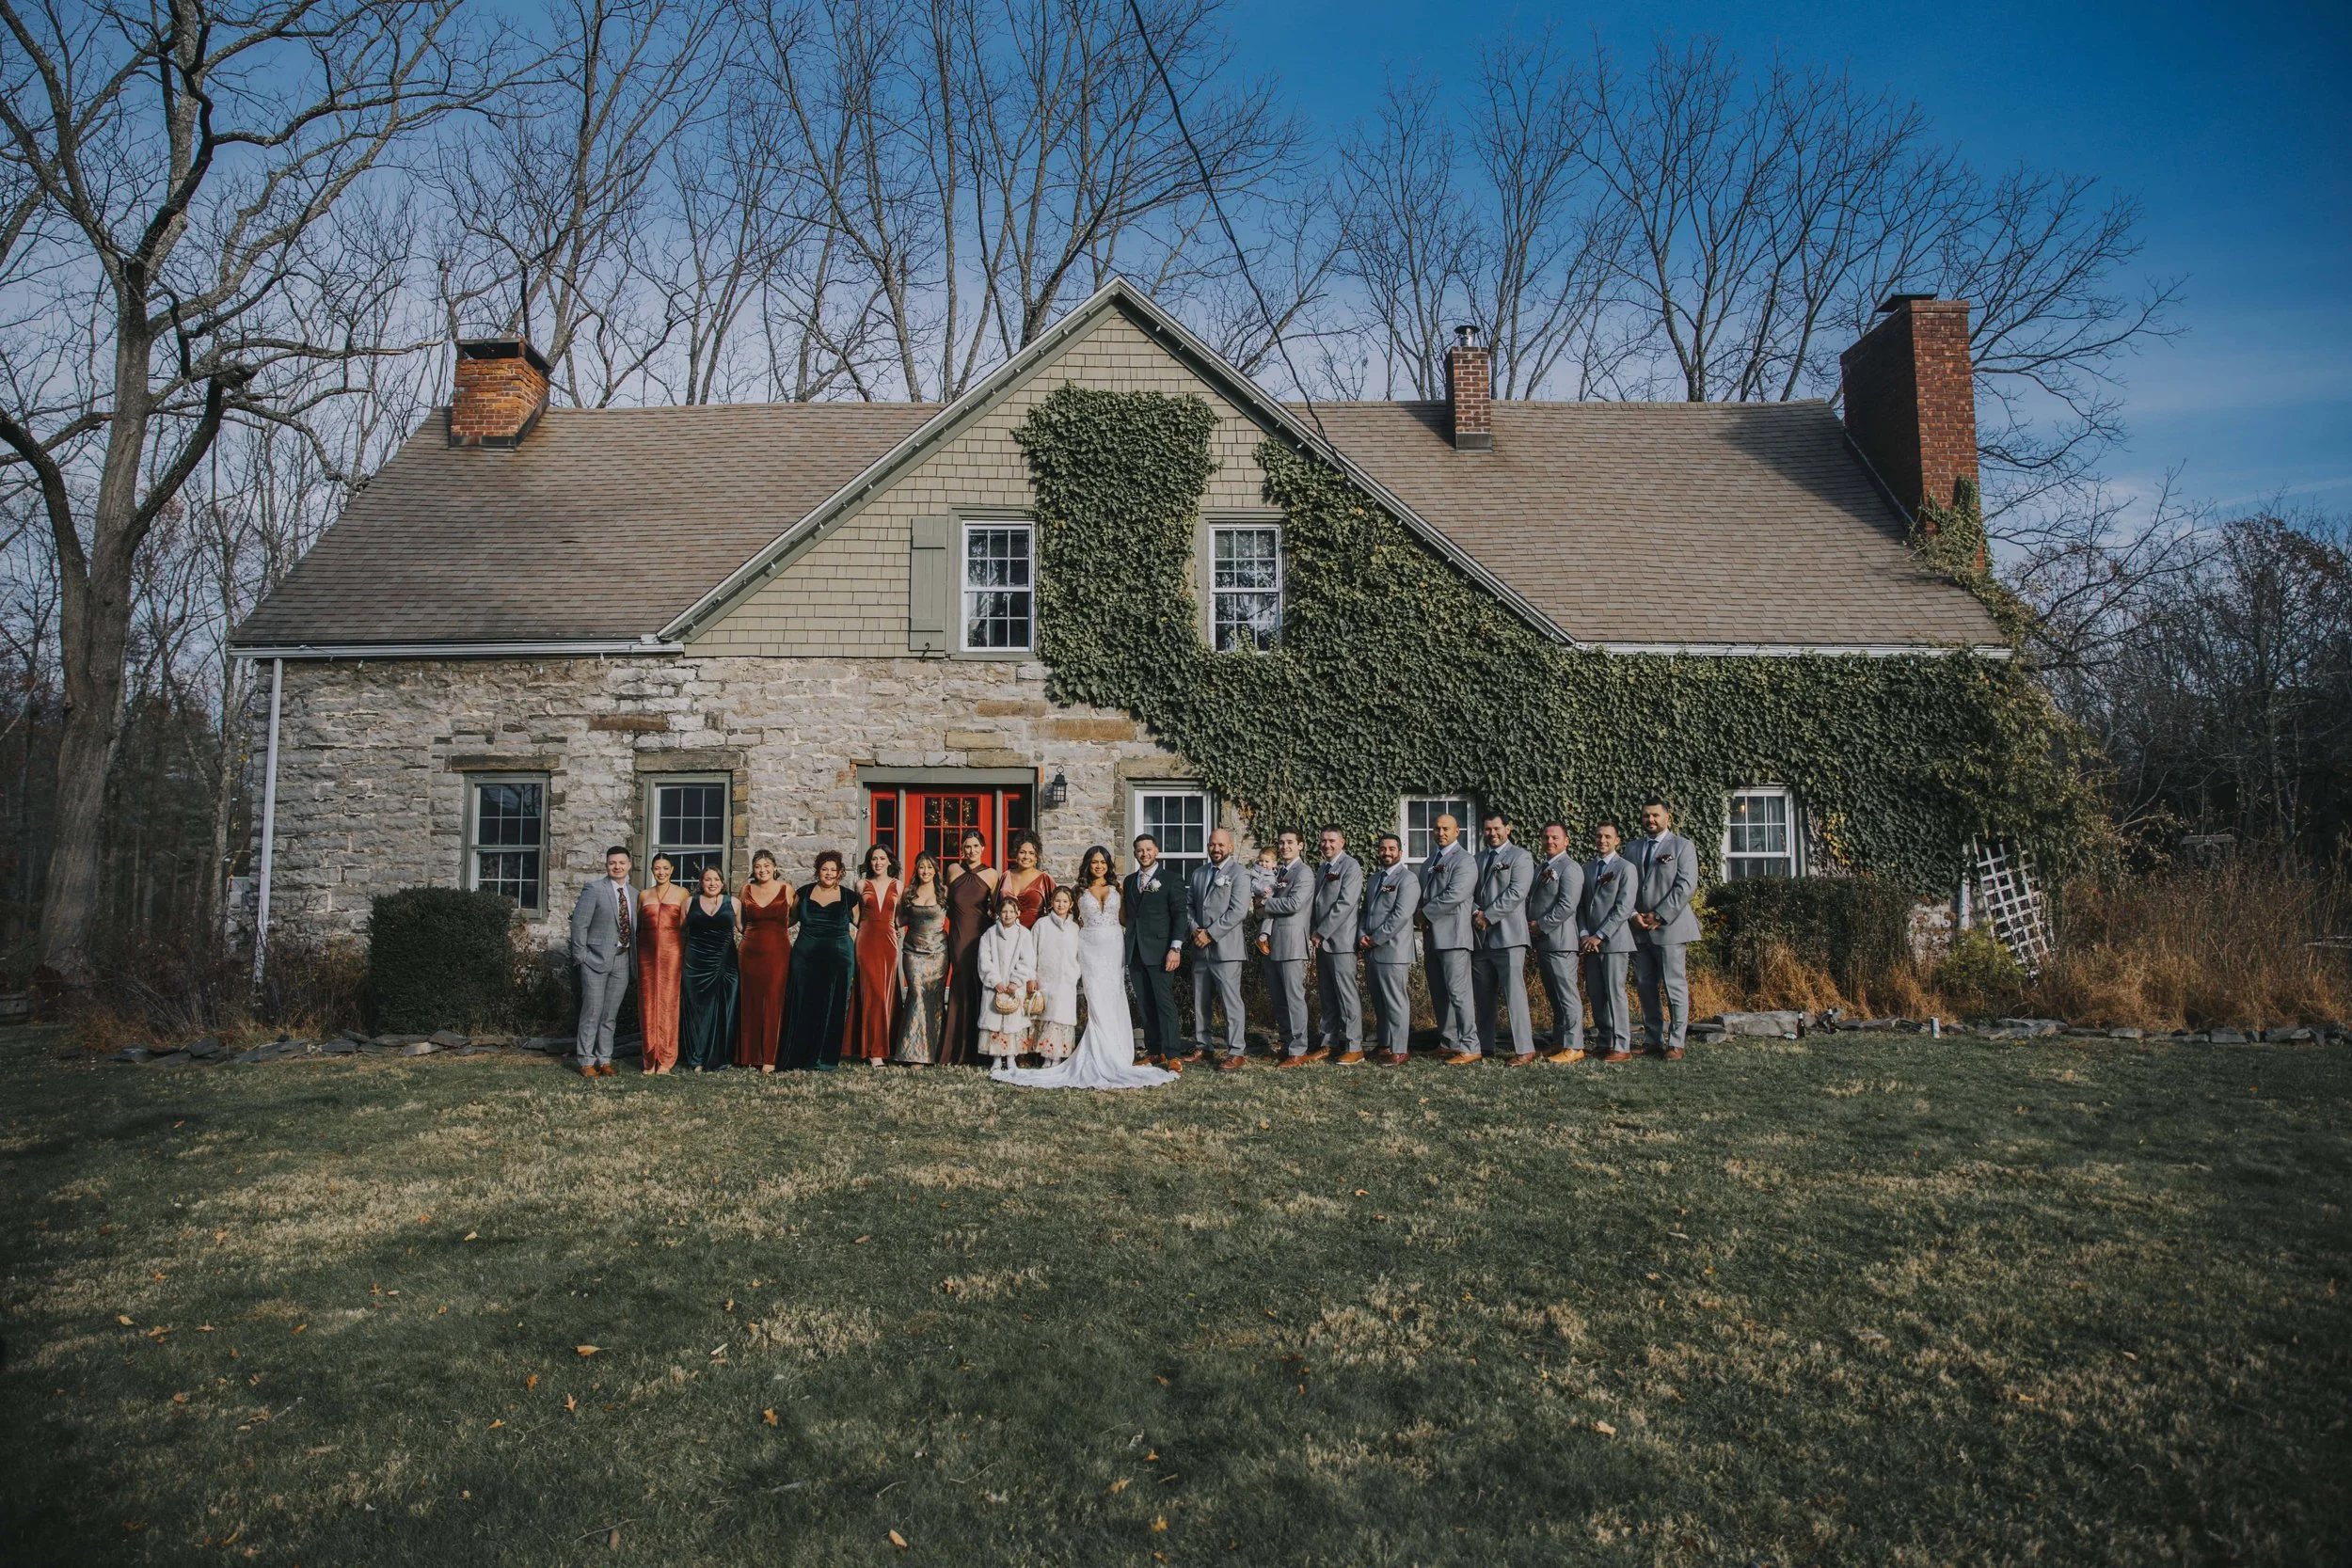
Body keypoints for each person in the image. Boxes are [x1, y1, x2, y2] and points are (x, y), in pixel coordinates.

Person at [991, 845, 1180, 1090]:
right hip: (1088, 948)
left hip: (1113, 946)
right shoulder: (1079, 890)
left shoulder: (1118, 888)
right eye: (1094, 862)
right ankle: (1097, 1050)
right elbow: (1070, 918)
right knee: (1096, 1000)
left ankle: (1118, 1051)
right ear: (1088, 865)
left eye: (1102, 862)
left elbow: (1123, 919)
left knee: (1113, 996)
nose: (1098, 866)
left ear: (1108, 865)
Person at [1630, 799, 1702, 1059]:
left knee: (1674, 985)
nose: (1651, 820)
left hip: (1670, 928)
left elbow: (1685, 886)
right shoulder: (1633, 848)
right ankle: (1652, 1040)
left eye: (1656, 815)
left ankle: (1676, 1043)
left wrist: (1659, 915)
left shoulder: (1682, 847)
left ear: (1667, 818)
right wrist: (1633, 914)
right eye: (1646, 815)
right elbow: (1626, 887)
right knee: (1645, 985)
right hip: (1639, 929)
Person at [1466, 811, 1535, 1065]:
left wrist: (1489, 915)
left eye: (1497, 829)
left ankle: (1524, 1049)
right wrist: (1475, 912)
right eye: (1487, 829)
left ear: (1508, 828)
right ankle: (1486, 1046)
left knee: (1514, 994)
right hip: (1481, 938)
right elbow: (1468, 890)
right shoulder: (1478, 858)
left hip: (1509, 937)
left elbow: (1517, 892)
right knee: (1483, 996)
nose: (1492, 833)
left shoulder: (1521, 856)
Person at [783, 850, 855, 1070]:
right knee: (804, 1005)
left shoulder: (849, 896)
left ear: (840, 872)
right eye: (825, 869)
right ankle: (801, 1056)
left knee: (832, 1007)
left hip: (838, 959)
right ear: (818, 871)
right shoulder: (803, 893)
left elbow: (865, 923)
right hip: (805, 958)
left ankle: (825, 1058)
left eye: (833, 870)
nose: (829, 873)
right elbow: (788, 921)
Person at [1120, 833, 1189, 1064]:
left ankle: (1173, 1054)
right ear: (1134, 853)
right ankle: (1154, 1051)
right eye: (1140, 850)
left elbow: (1180, 915)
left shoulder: (1170, 879)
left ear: (1157, 851)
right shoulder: (1129, 881)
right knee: (1145, 1003)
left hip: (1161, 952)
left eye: (1148, 849)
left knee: (1164, 1003)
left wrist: (1175, 948)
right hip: (1135, 950)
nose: (1144, 854)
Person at [569, 846, 636, 1079]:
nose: (617, 867)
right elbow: (579, 925)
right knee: (592, 1012)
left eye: (621, 863)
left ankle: (604, 1059)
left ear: (629, 865)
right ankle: (586, 1061)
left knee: (609, 1015)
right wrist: (582, 957)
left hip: (622, 960)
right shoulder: (594, 889)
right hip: (594, 961)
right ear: (606, 865)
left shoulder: (634, 894)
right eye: (612, 863)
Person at [1189, 829, 1250, 1070]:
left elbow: (1238, 911)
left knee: (1230, 1001)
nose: (1216, 849)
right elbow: (1189, 905)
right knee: (1200, 999)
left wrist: (1210, 934)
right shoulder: (1198, 873)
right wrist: (1194, 929)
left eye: (1221, 845)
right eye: (1212, 844)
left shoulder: (1240, 873)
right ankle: (1203, 1045)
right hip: (1199, 947)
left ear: (1231, 847)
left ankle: (1236, 1051)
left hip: (1226, 949)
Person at [1358, 832, 1421, 1066]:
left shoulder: (1408, 880)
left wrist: (1376, 938)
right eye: (1383, 848)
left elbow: (1401, 916)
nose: (1386, 853)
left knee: (1396, 1001)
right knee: (1379, 1002)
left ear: (1400, 853)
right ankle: (1384, 1045)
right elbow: (1365, 911)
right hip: (1372, 950)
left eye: (1391, 849)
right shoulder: (1374, 879)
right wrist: (1362, 935)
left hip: (1393, 951)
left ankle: (1400, 1049)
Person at [1527, 822, 1586, 1063]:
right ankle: (1560, 1041)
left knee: (1567, 995)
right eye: (1545, 838)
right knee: (1555, 996)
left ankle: (1574, 1045)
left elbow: (1566, 906)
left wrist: (1540, 925)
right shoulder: (1543, 866)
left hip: (1560, 941)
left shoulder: (1570, 868)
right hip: (1544, 943)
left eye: (1555, 838)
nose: (1549, 842)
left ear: (1566, 841)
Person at [1419, 814, 1477, 1060]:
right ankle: (1449, 1041)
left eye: (1446, 829)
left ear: (1457, 832)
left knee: (1459, 993)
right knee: (1440, 993)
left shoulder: (1465, 861)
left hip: (1453, 936)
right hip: (1432, 937)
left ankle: (1470, 1045)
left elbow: (1455, 894)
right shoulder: (1429, 861)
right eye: (1436, 829)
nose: (1440, 833)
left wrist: (1425, 913)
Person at [1580, 822, 1639, 1063]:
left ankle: (1622, 1045)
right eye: (1598, 836)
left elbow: (1624, 907)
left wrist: (1600, 935)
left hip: (1614, 940)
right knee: (1596, 993)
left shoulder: (1626, 868)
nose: (1602, 840)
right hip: (1589, 942)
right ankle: (1604, 1041)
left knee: (1615, 993)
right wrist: (1584, 934)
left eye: (1607, 837)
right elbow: (1582, 905)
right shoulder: (1587, 868)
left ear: (1617, 840)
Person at [941, 832, 1001, 1066]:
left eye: (976, 846)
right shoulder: (953, 870)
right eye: (967, 846)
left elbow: (996, 908)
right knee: (960, 983)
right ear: (962, 849)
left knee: (979, 985)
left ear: (983, 848)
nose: (971, 850)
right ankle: (955, 1050)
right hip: (957, 936)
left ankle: (980, 1050)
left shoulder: (992, 874)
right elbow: (943, 902)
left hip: (980, 936)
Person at [1260, 830, 1318, 1067]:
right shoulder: (1279, 872)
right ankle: (1286, 1044)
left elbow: (1294, 903)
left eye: (1290, 843)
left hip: (1292, 942)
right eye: (1281, 843)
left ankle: (1298, 1049)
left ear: (1300, 846)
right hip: (1273, 943)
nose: (1284, 846)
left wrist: (1265, 903)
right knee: (1279, 998)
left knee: (1294, 998)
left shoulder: (1304, 872)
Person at [1310, 826, 1365, 1063]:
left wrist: (1320, 932)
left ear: (1342, 842)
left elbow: (1345, 904)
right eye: (1323, 841)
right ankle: (1329, 1042)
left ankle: (1355, 1047)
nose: (1327, 845)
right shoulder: (1323, 868)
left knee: (1346, 996)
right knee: (1327, 996)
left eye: (1332, 840)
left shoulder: (1351, 866)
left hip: (1341, 942)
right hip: (1322, 943)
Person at [735, 850, 793, 1071]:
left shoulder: (786, 889)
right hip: (750, 952)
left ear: (775, 867)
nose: (763, 870)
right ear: (753, 869)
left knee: (774, 1000)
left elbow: (793, 916)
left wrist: (774, 933)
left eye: (767, 865)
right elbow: (739, 922)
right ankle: (750, 1055)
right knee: (750, 1001)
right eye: (758, 866)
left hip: (778, 951)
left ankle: (770, 1056)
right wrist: (752, 934)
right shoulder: (746, 890)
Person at [676, 864, 739, 1071]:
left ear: (723, 883)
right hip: (695, 963)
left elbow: (748, 930)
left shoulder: (735, 903)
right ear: (701, 883)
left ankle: (718, 1057)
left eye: (716, 880)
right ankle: (696, 1057)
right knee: (697, 1010)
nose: (712, 884)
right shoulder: (688, 903)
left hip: (725, 963)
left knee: (723, 1008)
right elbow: (674, 930)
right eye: (707, 879)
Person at [892, 851, 949, 1066]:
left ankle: (935, 1053)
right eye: (921, 867)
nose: (925, 871)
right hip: (913, 951)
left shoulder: (944, 892)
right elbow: (900, 919)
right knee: (916, 995)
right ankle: (913, 1053)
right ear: (916, 870)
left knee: (933, 999)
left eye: (929, 867)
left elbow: (961, 915)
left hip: (938, 952)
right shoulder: (908, 892)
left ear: (935, 870)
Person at [634, 853, 689, 1074]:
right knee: (647, 1001)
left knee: (668, 1001)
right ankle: (649, 1058)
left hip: (672, 951)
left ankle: (666, 1058)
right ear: (651, 869)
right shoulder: (644, 895)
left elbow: (685, 925)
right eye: (657, 868)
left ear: (672, 870)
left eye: (665, 868)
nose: (661, 872)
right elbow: (639, 925)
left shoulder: (682, 893)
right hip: (646, 952)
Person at [851, 844, 901, 1065]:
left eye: (882, 859)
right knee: (872, 993)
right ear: (869, 862)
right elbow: (855, 915)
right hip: (866, 941)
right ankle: (874, 1051)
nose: (878, 863)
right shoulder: (861, 884)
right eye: (873, 859)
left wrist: (894, 928)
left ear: (889, 861)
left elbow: (901, 917)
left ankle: (884, 1046)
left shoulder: (899, 886)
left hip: (888, 943)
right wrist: (864, 928)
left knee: (885, 993)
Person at [977, 895, 1038, 1062]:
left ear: (1018, 913)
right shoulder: (989, 934)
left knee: (1013, 1021)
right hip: (996, 986)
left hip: (1013, 987)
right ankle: (997, 1058)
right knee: (995, 1021)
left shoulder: (1023, 934)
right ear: (998, 913)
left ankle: (1011, 1058)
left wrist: (1016, 981)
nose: (1008, 915)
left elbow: (1028, 959)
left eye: (1012, 911)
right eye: (1004, 911)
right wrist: (995, 981)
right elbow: (984, 959)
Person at [1032, 885, 1083, 1061]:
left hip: (1066, 980)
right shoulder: (1041, 925)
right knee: (1048, 1016)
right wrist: (1032, 976)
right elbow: (1032, 951)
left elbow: (1078, 955)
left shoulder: (1074, 928)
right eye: (1057, 900)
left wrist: (1074, 973)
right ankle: (1046, 1056)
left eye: (1065, 901)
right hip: (1045, 977)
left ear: (1071, 904)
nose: (1060, 904)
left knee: (1062, 1017)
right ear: (1051, 902)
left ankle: (1058, 1056)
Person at [1000, 832, 1056, 927]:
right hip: (1007, 934)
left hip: (1034, 933)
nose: (1026, 857)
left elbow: (1056, 909)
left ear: (1036, 857)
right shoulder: (1006, 876)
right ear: (1016, 854)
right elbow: (996, 907)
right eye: (1022, 852)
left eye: (1031, 853)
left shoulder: (1044, 879)